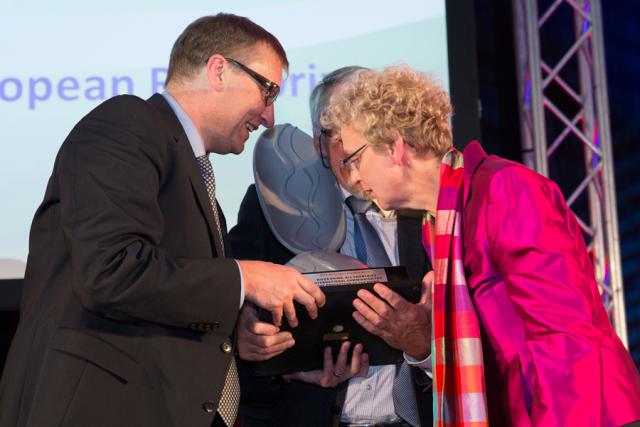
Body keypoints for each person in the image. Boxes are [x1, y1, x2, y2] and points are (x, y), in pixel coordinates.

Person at [0, 13, 325, 427]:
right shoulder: (126, 124)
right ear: (219, 70)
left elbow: (166, 297)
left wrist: (234, 329)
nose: (269, 116)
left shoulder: (193, 171)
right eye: (268, 90)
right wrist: (245, 278)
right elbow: (110, 271)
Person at [322, 65, 640, 426]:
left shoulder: (504, 191)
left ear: (396, 147)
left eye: (355, 159)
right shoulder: (438, 225)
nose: (355, 176)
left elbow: (565, 340)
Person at [229, 67, 434, 427]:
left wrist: (424, 344)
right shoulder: (274, 207)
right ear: (320, 142)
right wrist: (271, 356)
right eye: (343, 131)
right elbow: (231, 320)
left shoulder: (432, 205)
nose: (359, 146)